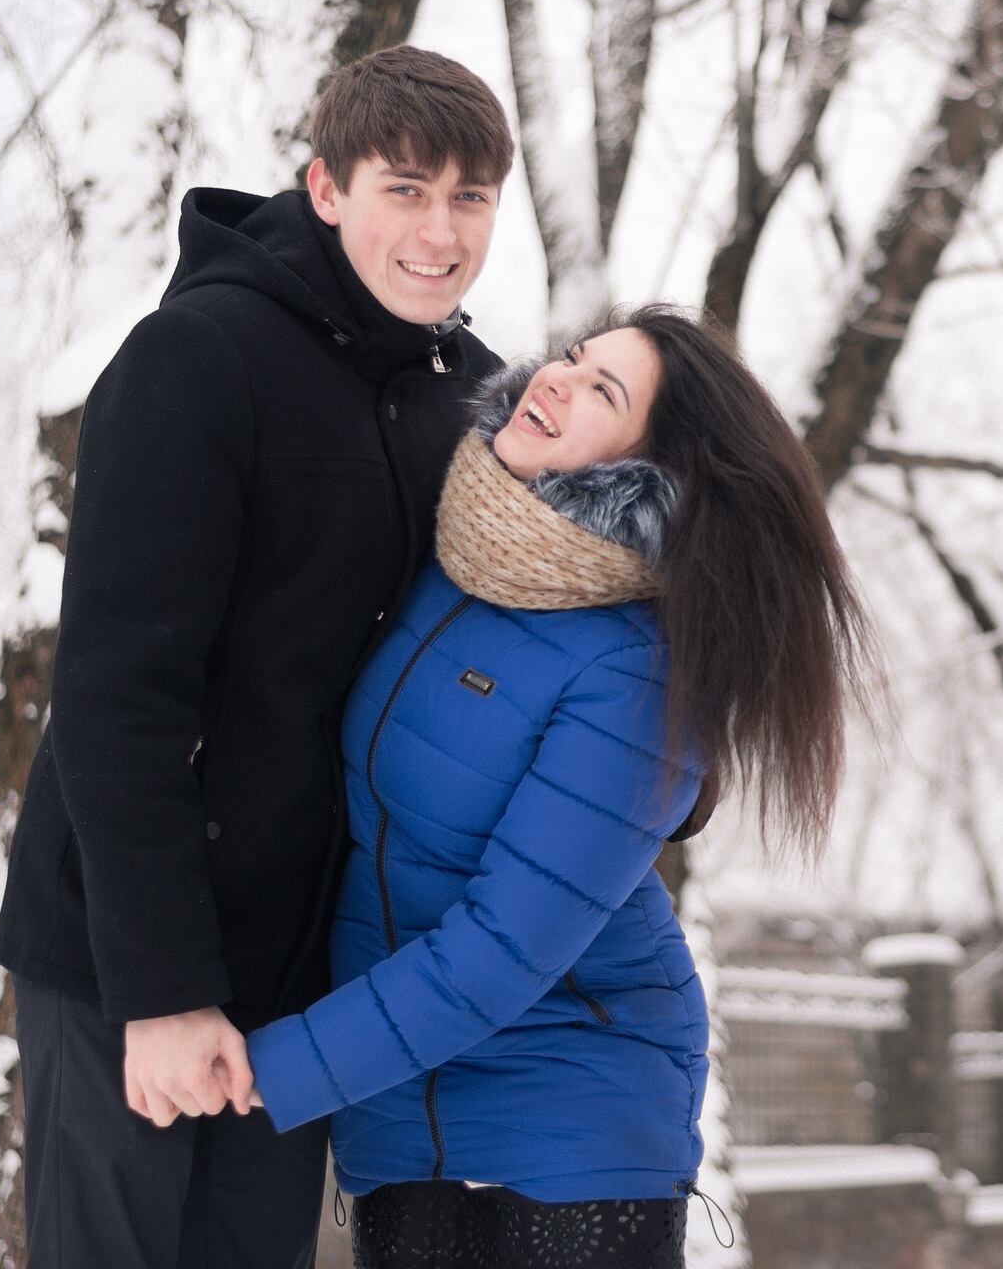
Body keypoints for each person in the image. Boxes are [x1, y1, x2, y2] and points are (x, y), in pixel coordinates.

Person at [0, 46, 514, 1268]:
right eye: (405, 189)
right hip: (130, 955)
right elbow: (118, 697)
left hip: (305, 983)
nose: (440, 233)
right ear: (326, 188)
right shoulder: (199, 358)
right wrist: (164, 989)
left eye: (471, 198)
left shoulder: (476, 401)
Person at [240, 304, 875, 1268]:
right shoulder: (452, 554)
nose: (556, 380)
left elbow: (503, 946)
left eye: (602, 392)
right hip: (403, 1115)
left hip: (573, 1122)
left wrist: (268, 1070)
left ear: (650, 467)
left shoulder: (639, 667)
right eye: (572, 358)